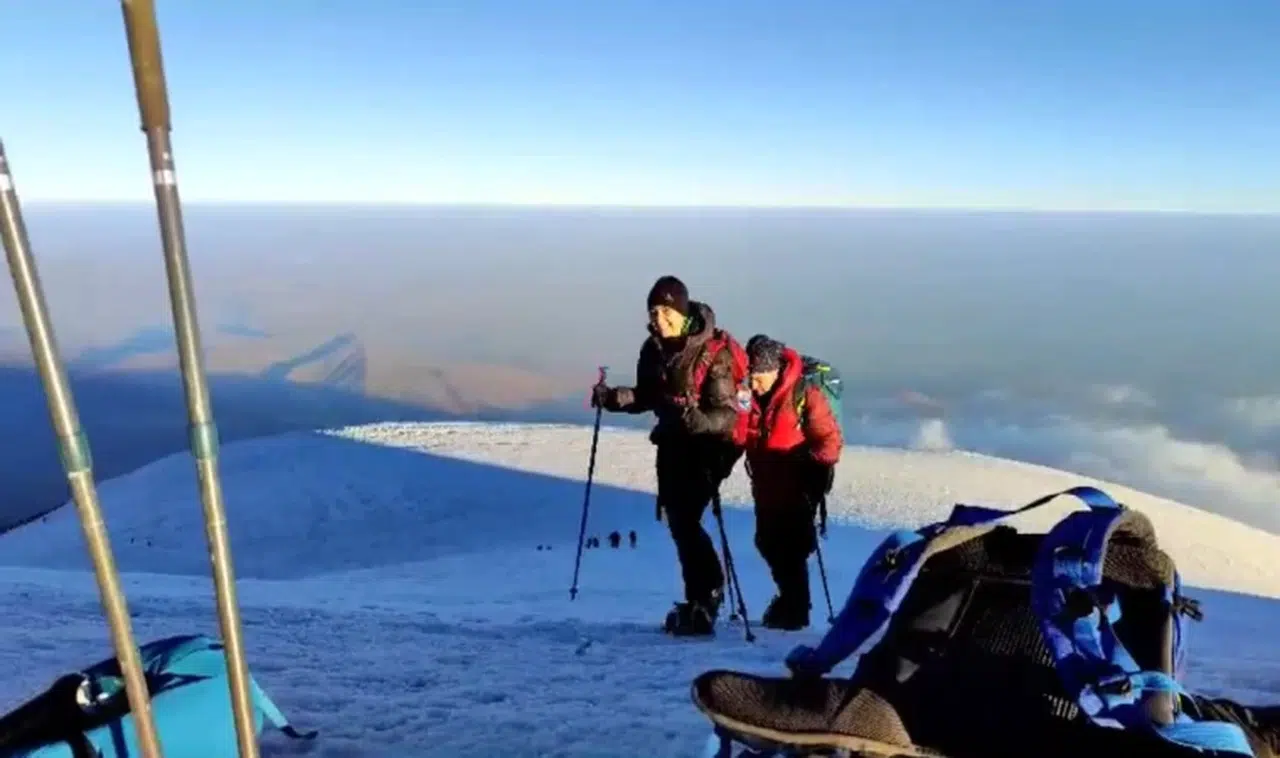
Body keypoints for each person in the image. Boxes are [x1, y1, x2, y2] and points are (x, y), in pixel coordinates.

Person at [591, 275, 749, 636]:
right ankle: (699, 598)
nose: (658, 318)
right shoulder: (654, 349)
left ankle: (707, 594)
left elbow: (728, 412)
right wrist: (613, 398)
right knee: (680, 521)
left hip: (712, 445)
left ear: (681, 311)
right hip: (674, 441)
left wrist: (698, 420)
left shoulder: (713, 353)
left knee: (685, 516)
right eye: (653, 311)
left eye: (665, 310)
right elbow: (648, 395)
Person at [742, 335, 842, 631]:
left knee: (791, 549)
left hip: (798, 486)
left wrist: (811, 468)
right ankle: (789, 602)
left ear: (774, 370)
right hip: (765, 484)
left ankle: (795, 611)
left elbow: (829, 439)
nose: (753, 382)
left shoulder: (804, 393)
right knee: (767, 543)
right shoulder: (748, 395)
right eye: (750, 375)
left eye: (758, 376)